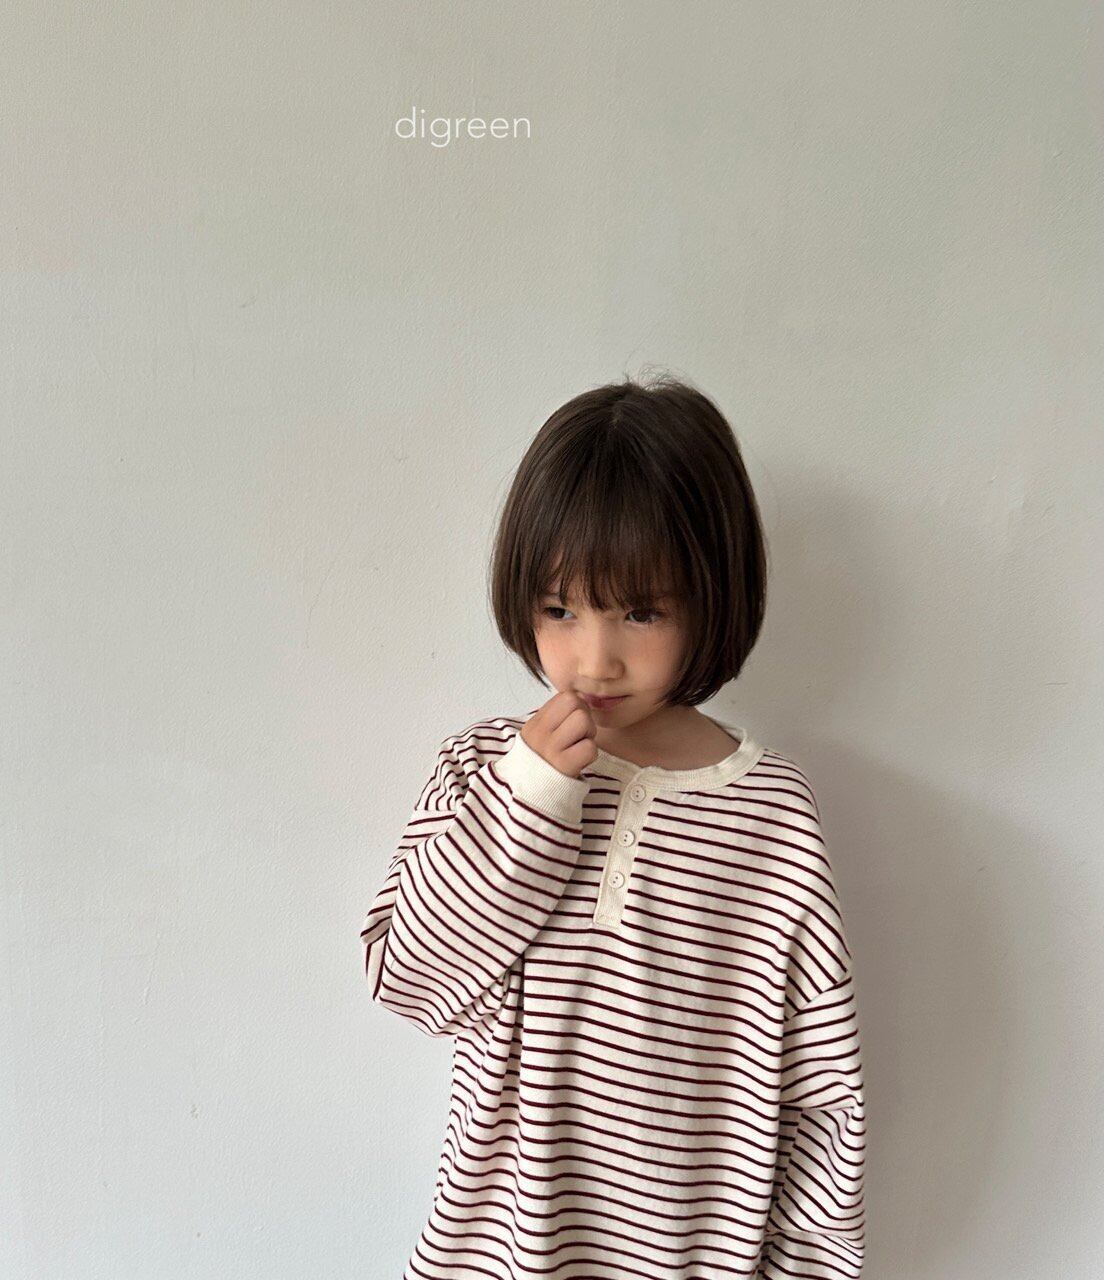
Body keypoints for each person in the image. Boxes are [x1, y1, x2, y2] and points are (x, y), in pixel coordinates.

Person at [358, 374, 867, 1279]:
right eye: (559, 608)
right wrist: (529, 797)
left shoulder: (773, 815)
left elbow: (820, 1093)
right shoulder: (483, 767)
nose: (594, 659)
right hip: (499, 1257)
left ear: (712, 597)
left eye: (640, 611)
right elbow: (407, 979)